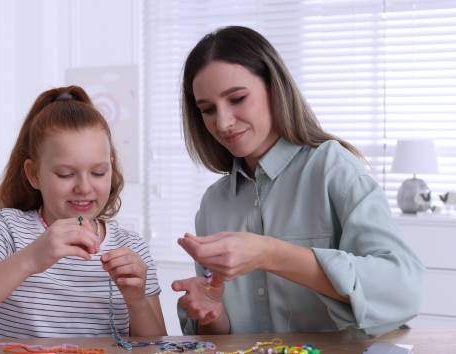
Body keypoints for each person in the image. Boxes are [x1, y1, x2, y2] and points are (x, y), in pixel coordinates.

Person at [171, 26, 424, 337]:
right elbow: (220, 341)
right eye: (207, 110)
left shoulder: (332, 168)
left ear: (274, 88)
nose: (222, 123)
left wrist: (268, 253)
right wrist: (212, 313)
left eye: (237, 98)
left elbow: (403, 290)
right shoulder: (214, 204)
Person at [0, 86, 166, 343]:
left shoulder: (131, 246)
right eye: (65, 174)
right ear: (34, 174)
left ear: (111, 169)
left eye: (98, 172)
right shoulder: (7, 232)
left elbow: (158, 349)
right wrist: (29, 259)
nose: (84, 187)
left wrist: (137, 301)